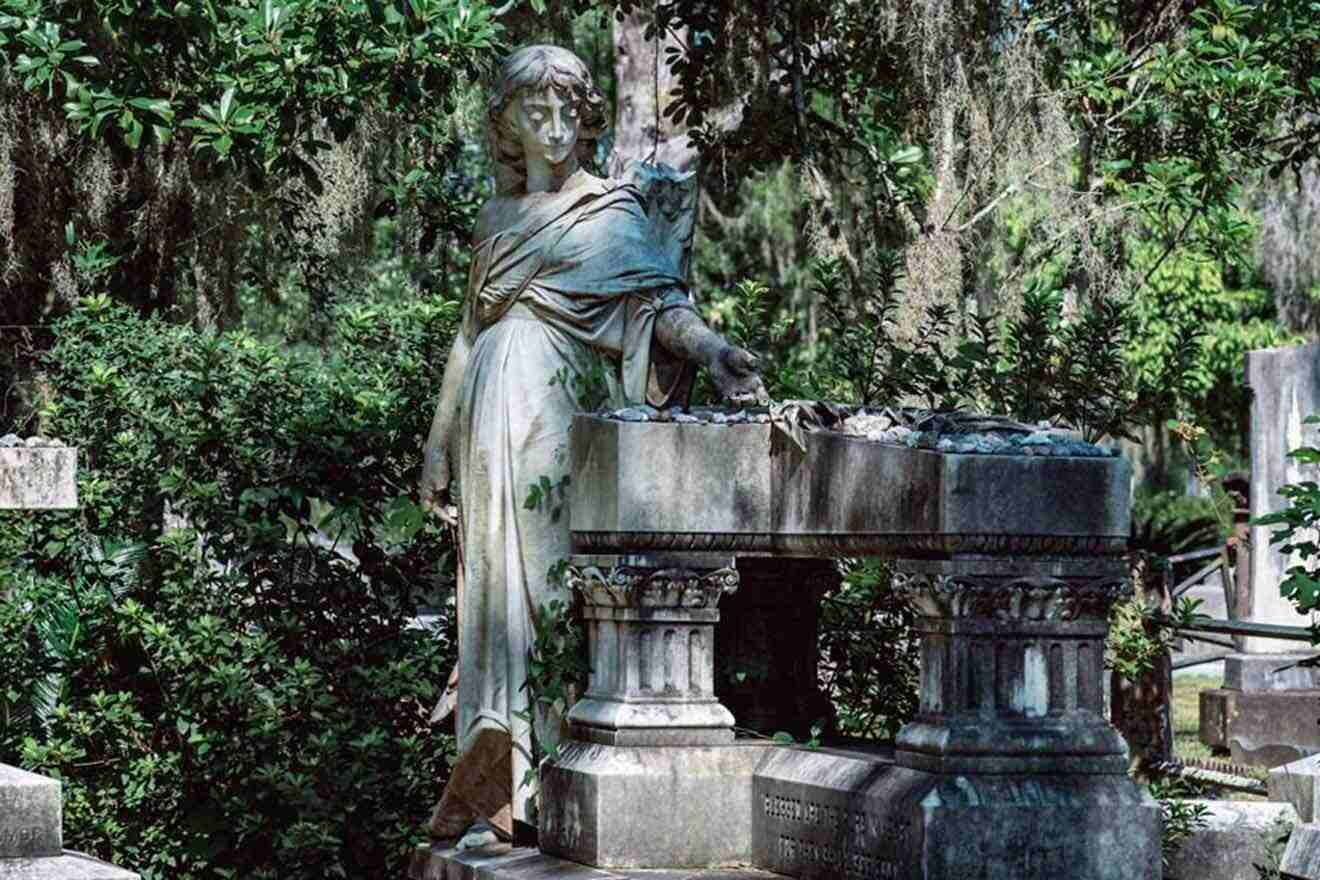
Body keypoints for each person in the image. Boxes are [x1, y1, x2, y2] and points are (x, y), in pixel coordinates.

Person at [419, 44, 767, 849]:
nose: (555, 125)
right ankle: (490, 784)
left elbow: (656, 308)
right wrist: (435, 446)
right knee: (490, 596)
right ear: (506, 124)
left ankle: (543, 786)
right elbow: (470, 336)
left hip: (550, 418)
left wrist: (712, 352)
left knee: (541, 590)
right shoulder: (496, 217)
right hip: (484, 429)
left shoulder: (610, 213)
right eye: (534, 111)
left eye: (568, 109)